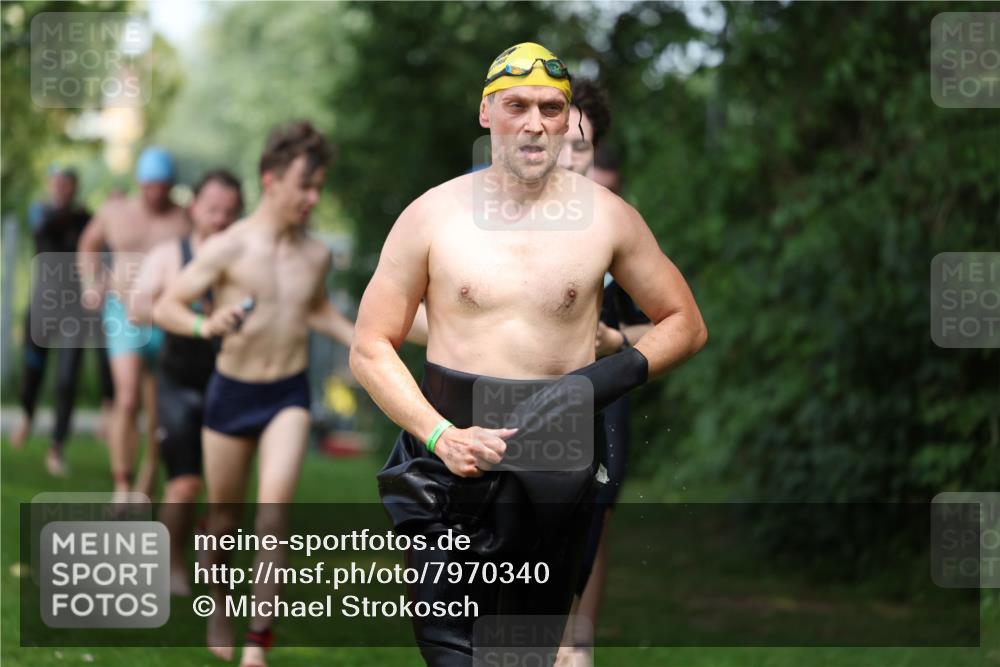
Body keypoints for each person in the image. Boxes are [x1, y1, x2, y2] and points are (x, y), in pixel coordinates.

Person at [351, 42, 707, 666]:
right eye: (517, 105)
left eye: (551, 107)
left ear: (570, 121)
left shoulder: (608, 219)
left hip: (555, 453)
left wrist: (591, 386)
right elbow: (370, 346)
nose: (535, 122)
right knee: (454, 653)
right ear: (487, 112)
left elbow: (685, 324)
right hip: (449, 450)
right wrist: (439, 435)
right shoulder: (431, 216)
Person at [154, 121, 354, 667]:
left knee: (272, 514)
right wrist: (204, 325)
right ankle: (218, 607)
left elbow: (316, 311)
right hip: (232, 394)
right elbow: (167, 304)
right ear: (271, 180)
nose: (313, 198)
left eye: (319, 187)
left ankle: (256, 645)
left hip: (287, 393)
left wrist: (370, 341)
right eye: (304, 185)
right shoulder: (228, 247)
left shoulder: (316, 254)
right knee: (224, 521)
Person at [556, 80, 653, 666]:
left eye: (581, 145)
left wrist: (615, 340)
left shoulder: (619, 229)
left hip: (603, 390)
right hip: (529, 389)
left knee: (596, 510)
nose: (570, 157)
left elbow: (673, 326)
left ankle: (578, 646)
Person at [131, 169, 243, 595]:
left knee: (223, 494)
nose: (220, 219)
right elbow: (139, 306)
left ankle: (212, 568)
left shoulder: (243, 258)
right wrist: (182, 310)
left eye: (230, 213)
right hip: (177, 382)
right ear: (193, 207)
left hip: (229, 383)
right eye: (213, 209)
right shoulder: (168, 254)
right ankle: (172, 563)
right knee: (183, 483)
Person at [78, 147, 190, 500]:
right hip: (122, 312)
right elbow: (88, 244)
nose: (155, 193)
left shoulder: (184, 218)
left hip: (165, 318)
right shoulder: (115, 212)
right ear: (139, 184)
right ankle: (122, 484)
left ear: (171, 186)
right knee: (126, 399)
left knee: (158, 409)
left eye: (162, 186)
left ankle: (150, 470)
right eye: (149, 186)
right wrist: (91, 282)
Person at [11, 166, 91, 476]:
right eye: (56, 184)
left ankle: (57, 448)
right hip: (42, 308)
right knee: (33, 373)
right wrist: (78, 214)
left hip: (75, 312)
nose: (61, 189)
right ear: (49, 186)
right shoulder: (40, 212)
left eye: (66, 184)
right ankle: (27, 415)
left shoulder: (86, 219)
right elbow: (45, 225)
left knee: (67, 379)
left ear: (75, 187)